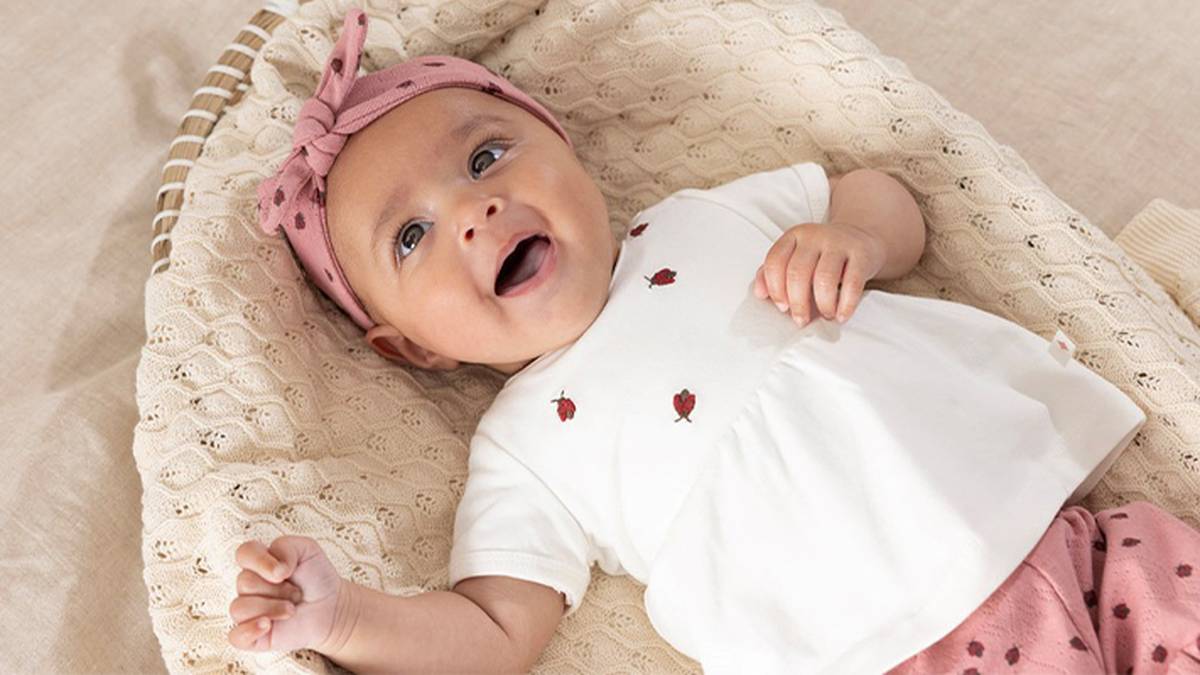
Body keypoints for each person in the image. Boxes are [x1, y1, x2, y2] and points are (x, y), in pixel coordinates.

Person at [232, 8, 1200, 673]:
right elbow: (490, 632)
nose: (475, 210)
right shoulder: (522, 453)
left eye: (487, 155)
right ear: (413, 350)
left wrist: (854, 238)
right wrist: (343, 615)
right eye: (412, 237)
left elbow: (882, 199)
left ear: (566, 149)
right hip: (889, 650)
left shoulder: (700, 218)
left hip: (1054, 531)